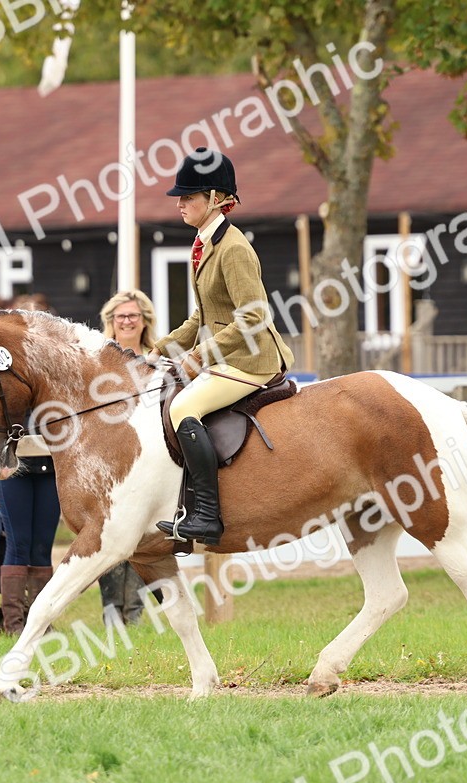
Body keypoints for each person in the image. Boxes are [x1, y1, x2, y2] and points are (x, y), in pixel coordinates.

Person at [148, 148, 294, 545]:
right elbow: (202, 317)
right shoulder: (204, 244)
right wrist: (159, 350)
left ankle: (207, 515)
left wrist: (198, 356)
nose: (180, 204)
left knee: (183, 406)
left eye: (188, 197)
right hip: (227, 355)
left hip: (251, 360)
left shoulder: (233, 248)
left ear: (215, 199)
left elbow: (254, 318)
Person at [0, 293, 61, 635]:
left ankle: (41, 623)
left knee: (42, 545)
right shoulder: (3, 367)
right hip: (15, 465)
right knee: (18, 542)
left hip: (50, 465)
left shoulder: (58, 369)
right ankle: (14, 623)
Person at [96, 289, 157, 624]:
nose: (127, 321)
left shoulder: (156, 359)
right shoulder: (100, 362)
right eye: (121, 316)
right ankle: (111, 618)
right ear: (111, 321)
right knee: (109, 539)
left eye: (133, 315)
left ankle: (134, 615)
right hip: (108, 463)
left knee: (140, 540)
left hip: (147, 461)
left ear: (144, 320)